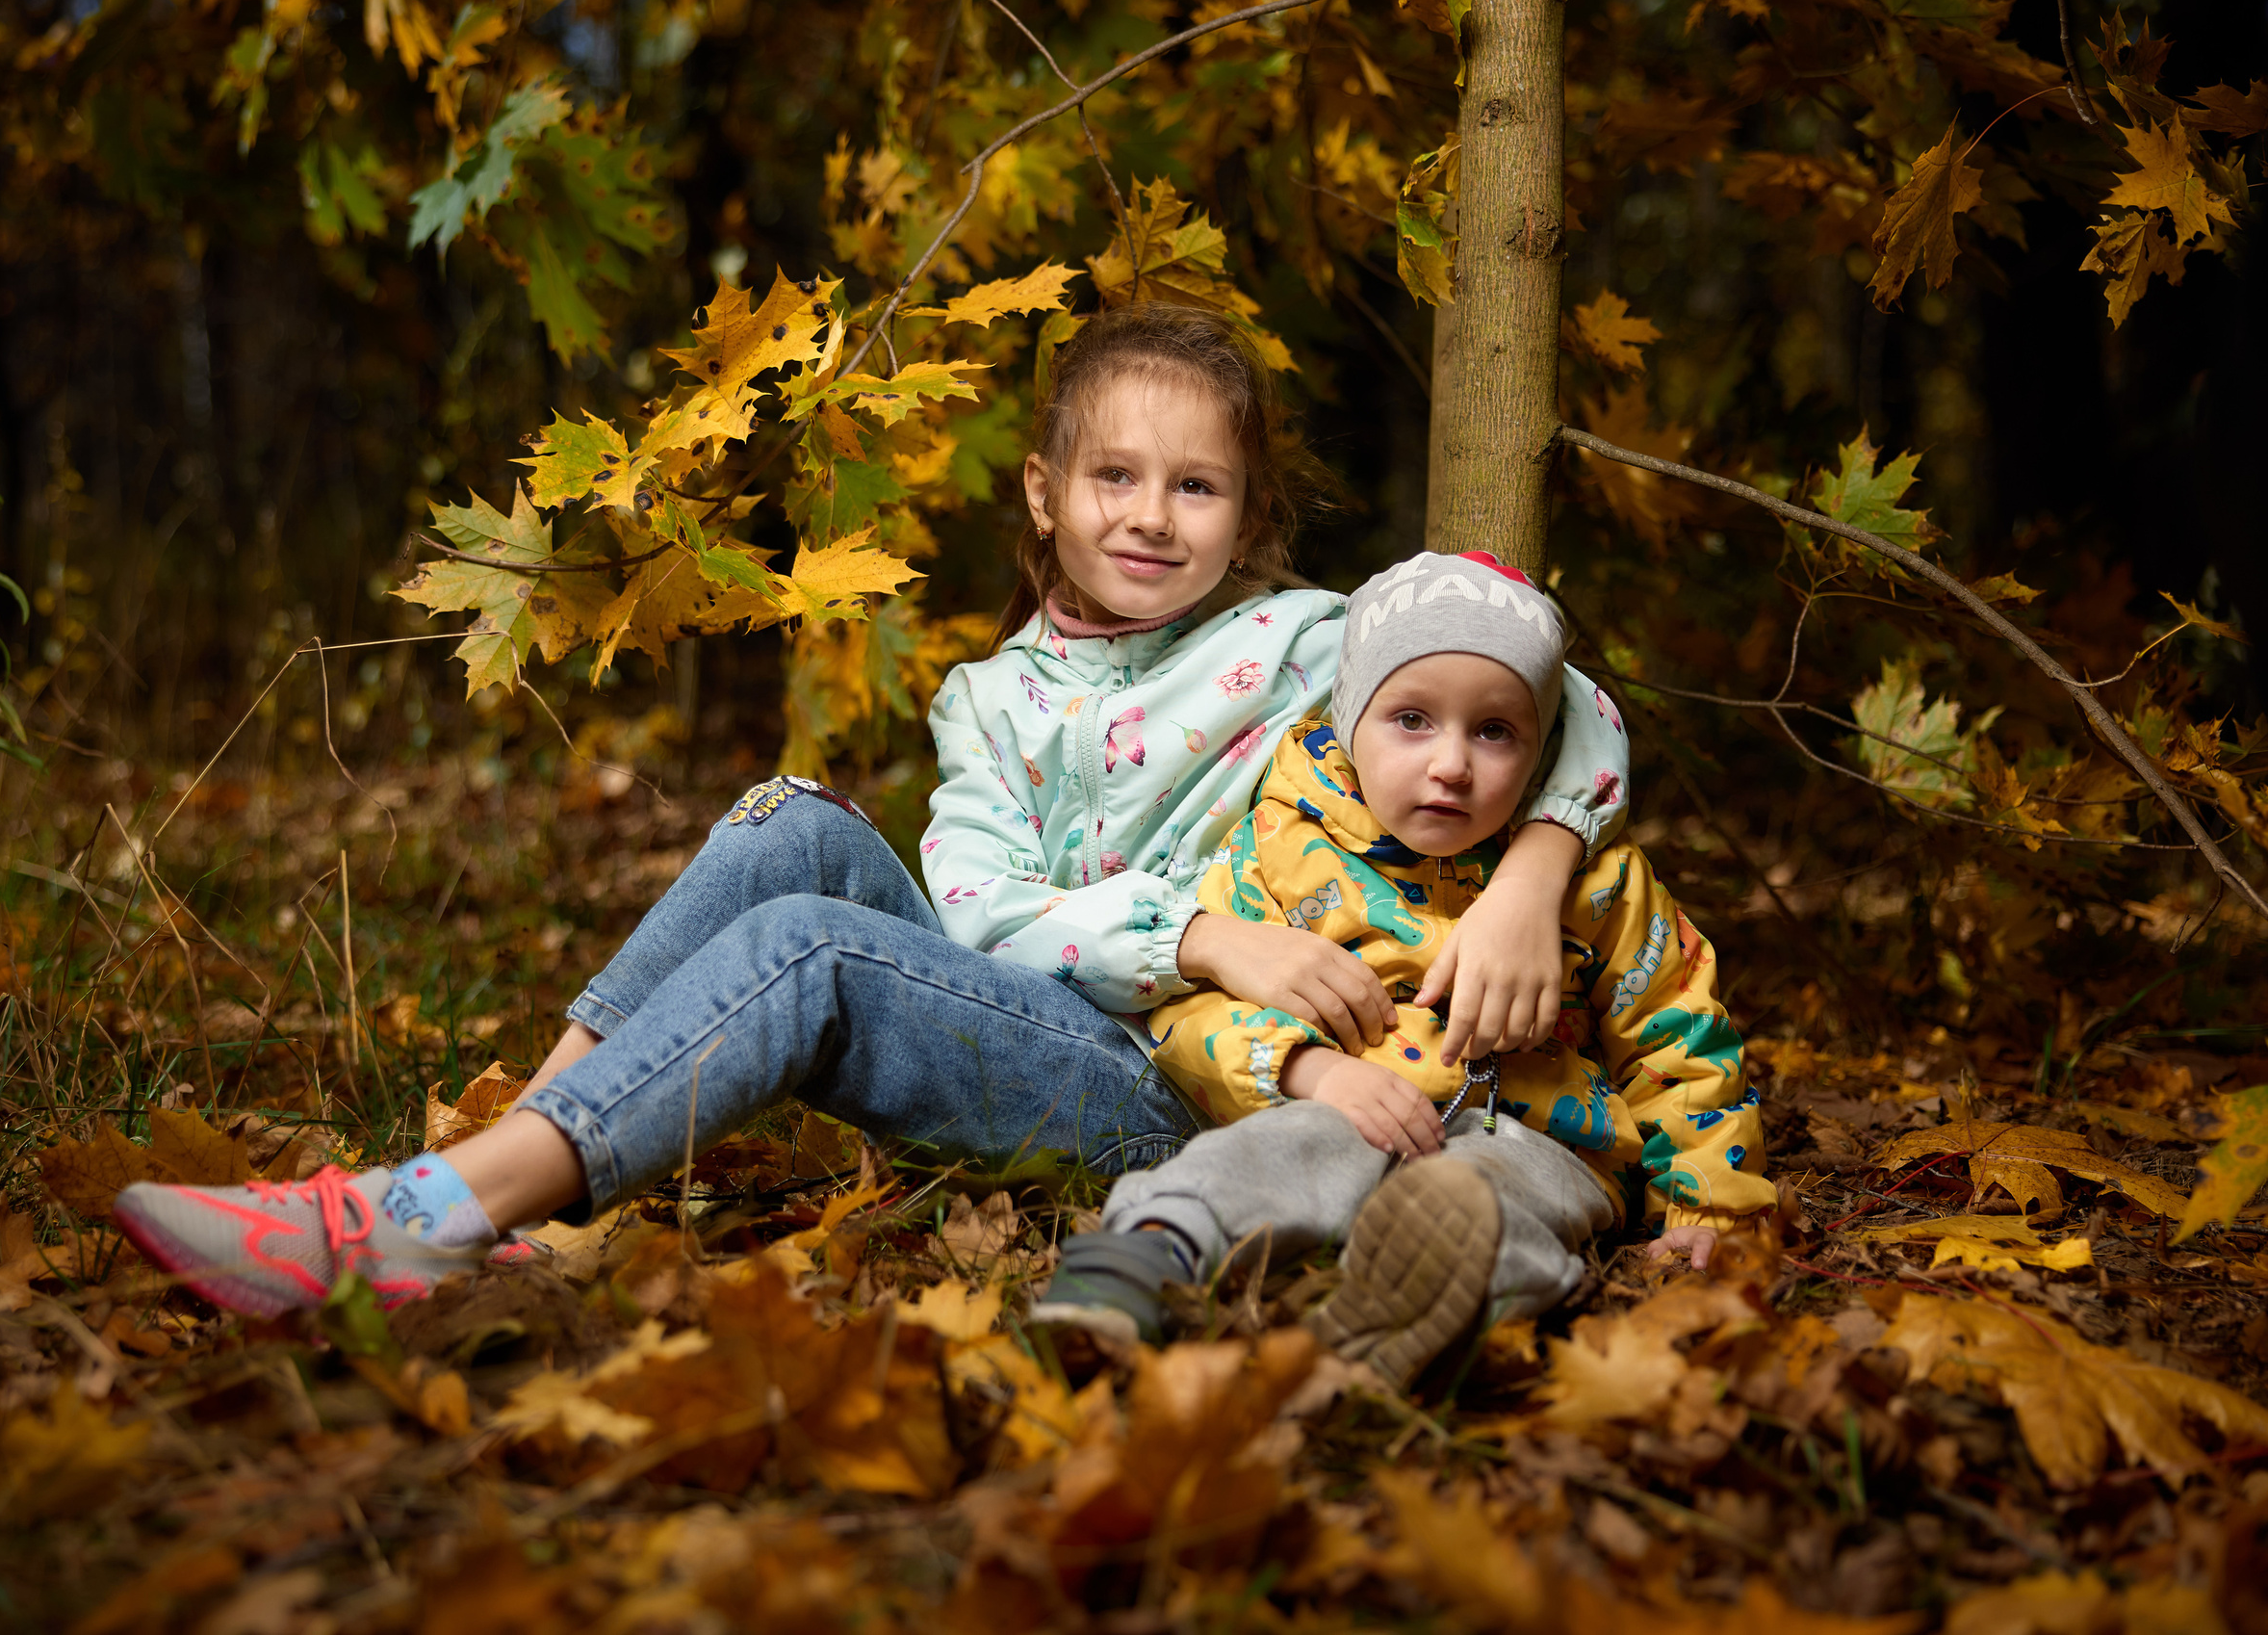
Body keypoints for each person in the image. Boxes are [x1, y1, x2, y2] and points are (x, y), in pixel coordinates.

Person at [109, 305, 1634, 1316]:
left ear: (1249, 516)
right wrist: (1211, 933)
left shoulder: (1312, 640)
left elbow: (1561, 690)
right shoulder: (990, 700)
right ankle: (508, 1186)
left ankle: (408, 1217)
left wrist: (1530, 878)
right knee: (790, 827)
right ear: (1043, 492)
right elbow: (978, 917)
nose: (1151, 519)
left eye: (1197, 489)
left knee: (817, 950)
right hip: (1108, 1004)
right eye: (1116, 476)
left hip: (1192, 1092)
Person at [1030, 551, 1770, 1390]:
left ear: (1542, 749)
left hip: (1530, 1134)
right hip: (1346, 1104)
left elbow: (1678, 1034)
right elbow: (1189, 1007)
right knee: (1276, 1153)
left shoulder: (1599, 885)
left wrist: (1709, 1203)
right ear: (1350, 722)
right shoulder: (1280, 850)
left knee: (1498, 1202)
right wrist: (1307, 1072)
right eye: (1412, 720)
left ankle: (1414, 1315)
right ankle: (1141, 1259)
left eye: (1494, 731)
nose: (1451, 763)